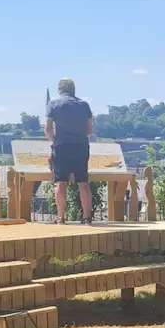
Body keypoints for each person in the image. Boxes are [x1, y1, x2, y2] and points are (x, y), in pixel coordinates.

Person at [45, 77, 95, 224]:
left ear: (60, 90)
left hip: (62, 146)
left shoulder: (53, 104)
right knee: (83, 182)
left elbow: (48, 129)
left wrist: (55, 140)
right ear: (73, 89)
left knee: (60, 182)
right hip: (81, 145)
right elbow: (90, 130)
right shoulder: (84, 105)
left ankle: (61, 217)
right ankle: (87, 217)